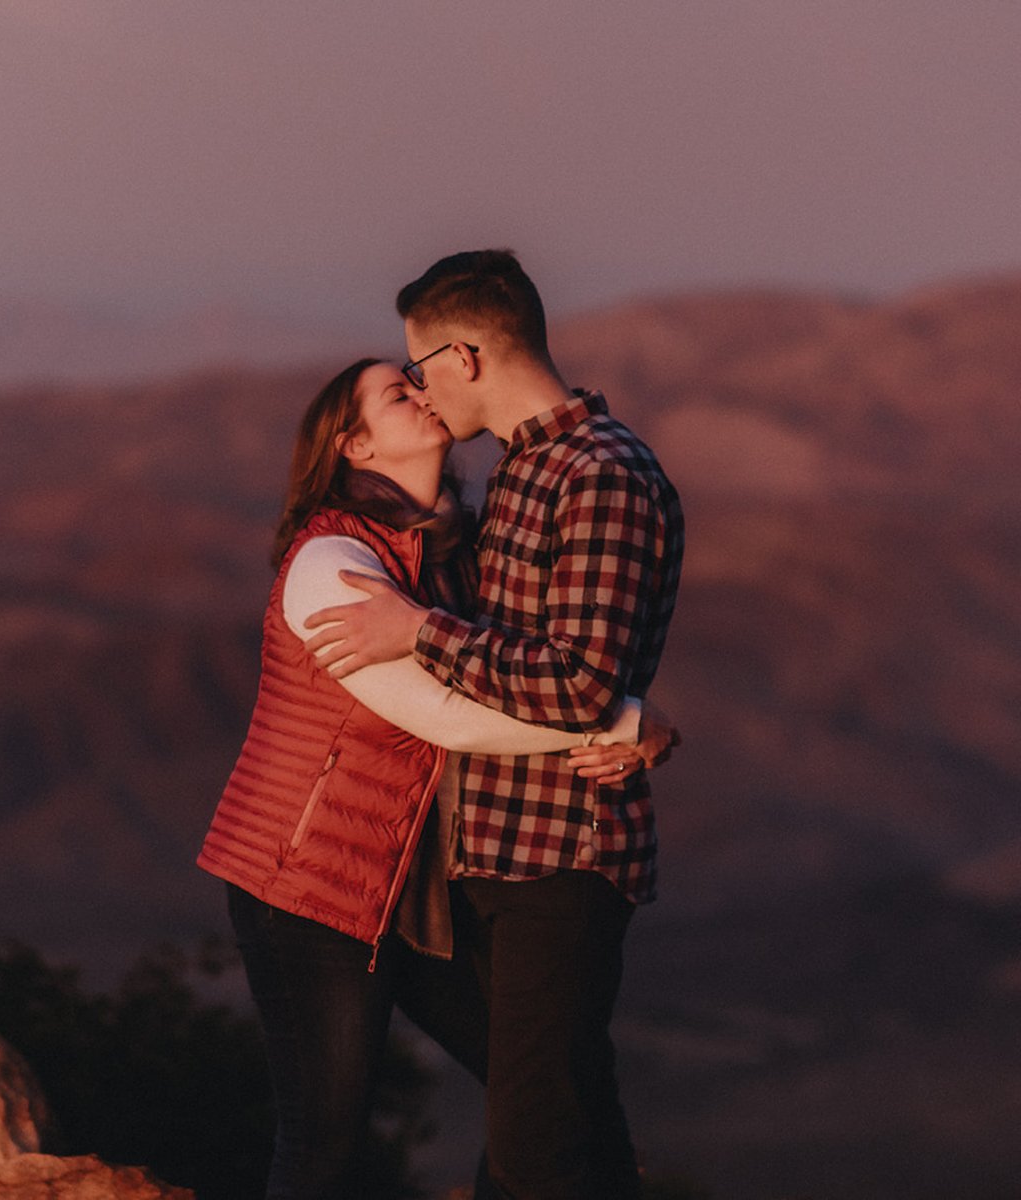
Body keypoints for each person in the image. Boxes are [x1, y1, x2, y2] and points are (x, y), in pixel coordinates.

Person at [196, 357, 669, 1200]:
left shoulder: (451, 551)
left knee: (539, 1083)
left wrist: (611, 715)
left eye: (418, 380)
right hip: (305, 888)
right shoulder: (331, 565)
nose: (421, 392)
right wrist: (616, 723)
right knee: (323, 1143)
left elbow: (510, 667)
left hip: (403, 888)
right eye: (395, 393)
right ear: (355, 445)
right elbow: (441, 714)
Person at [305, 250, 686, 1200]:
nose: (425, 397)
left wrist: (414, 628)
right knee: (559, 1114)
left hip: (562, 853)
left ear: (464, 355)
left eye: (421, 370)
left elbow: (578, 685)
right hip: (495, 849)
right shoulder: (522, 472)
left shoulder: (599, 475)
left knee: (532, 1149)